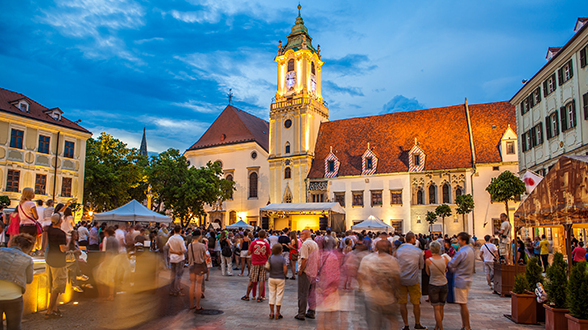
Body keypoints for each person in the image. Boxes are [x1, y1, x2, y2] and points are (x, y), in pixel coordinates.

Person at [358, 239, 400, 330]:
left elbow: (361, 276)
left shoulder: (367, 259)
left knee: (374, 325)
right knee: (392, 321)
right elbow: (397, 279)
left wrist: (364, 288)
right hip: (389, 298)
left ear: (376, 248)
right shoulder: (393, 261)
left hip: (372, 298)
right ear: (390, 249)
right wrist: (396, 293)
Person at [0, 234, 34, 329]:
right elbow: (29, 280)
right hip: (14, 297)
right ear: (27, 248)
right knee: (14, 326)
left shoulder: (1, 251)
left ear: (13, 243)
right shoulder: (27, 259)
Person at [395, 232, 426, 330]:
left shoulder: (399, 251)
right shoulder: (418, 251)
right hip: (413, 280)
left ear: (405, 239)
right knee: (416, 303)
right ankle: (417, 323)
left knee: (402, 303)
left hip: (401, 279)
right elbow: (421, 266)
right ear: (413, 239)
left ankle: (406, 325)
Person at [447, 232, 475, 330]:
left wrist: (448, 262)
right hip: (467, 278)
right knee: (462, 303)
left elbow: (452, 263)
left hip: (460, 279)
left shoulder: (462, 252)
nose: (457, 242)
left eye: (459, 240)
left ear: (463, 241)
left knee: (463, 304)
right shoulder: (471, 250)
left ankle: (467, 326)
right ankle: (464, 325)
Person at [45, 213, 68, 319]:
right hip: (59, 261)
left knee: (52, 285)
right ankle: (49, 311)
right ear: (60, 221)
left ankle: (54, 308)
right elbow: (63, 249)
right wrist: (70, 245)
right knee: (57, 286)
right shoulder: (61, 233)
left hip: (49, 259)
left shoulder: (49, 230)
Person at [295, 229, 319, 321]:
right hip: (313, 270)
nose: (300, 235)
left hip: (306, 272)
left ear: (305, 235)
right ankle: (311, 311)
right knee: (312, 293)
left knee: (303, 293)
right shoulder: (314, 243)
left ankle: (301, 313)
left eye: (301, 234)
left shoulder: (305, 244)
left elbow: (304, 259)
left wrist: (301, 269)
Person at [242, 230, 270, 302]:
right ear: (265, 236)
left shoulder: (253, 243)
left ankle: (247, 295)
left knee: (252, 279)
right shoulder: (266, 244)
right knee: (261, 280)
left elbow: (249, 252)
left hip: (255, 263)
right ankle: (259, 297)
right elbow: (269, 254)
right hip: (263, 263)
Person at [426, 241, 448, 330]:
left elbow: (428, 273)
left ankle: (441, 328)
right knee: (441, 307)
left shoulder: (428, 261)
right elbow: (444, 270)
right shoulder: (444, 259)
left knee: (436, 309)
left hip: (434, 284)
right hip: (444, 283)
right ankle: (437, 326)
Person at [187, 229, 207, 311]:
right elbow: (204, 256)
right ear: (199, 236)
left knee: (192, 285)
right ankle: (198, 305)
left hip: (192, 265)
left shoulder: (189, 245)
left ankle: (192, 304)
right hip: (199, 265)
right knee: (198, 285)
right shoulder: (202, 245)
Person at [267, 243, 287, 320]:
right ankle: (277, 312)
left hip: (272, 277)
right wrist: (284, 275)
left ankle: (271, 312)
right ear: (280, 251)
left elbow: (268, 268)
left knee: (271, 294)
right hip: (280, 278)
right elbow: (285, 269)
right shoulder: (282, 259)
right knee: (279, 295)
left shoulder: (270, 258)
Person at [166, 226, 186, 296]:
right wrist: (178, 252)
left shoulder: (171, 238)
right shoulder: (180, 239)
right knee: (178, 275)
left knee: (172, 274)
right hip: (179, 258)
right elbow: (184, 249)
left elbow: (166, 245)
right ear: (180, 231)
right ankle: (177, 290)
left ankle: (172, 290)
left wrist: (173, 251)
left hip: (172, 258)